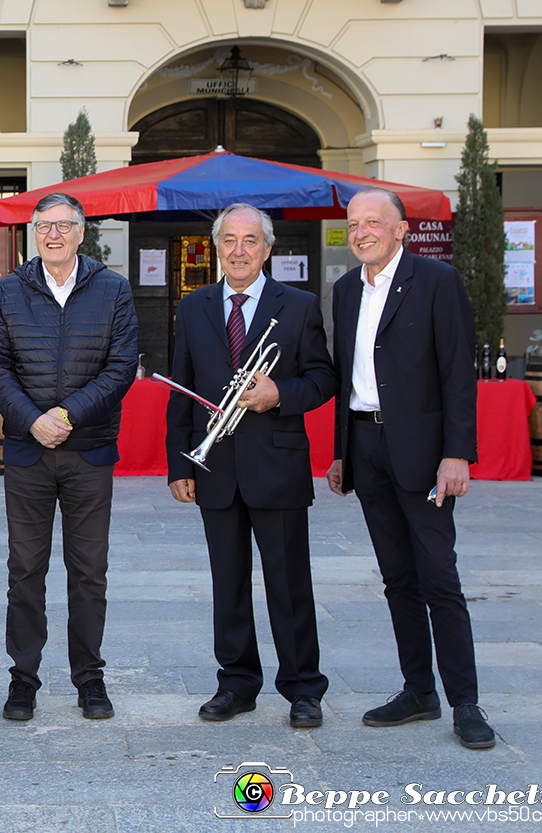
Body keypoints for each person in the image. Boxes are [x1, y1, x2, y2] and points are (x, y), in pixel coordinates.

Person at [326, 187, 495, 749]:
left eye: (374, 222)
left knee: (439, 579)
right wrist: (342, 452)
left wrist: (457, 453)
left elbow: (457, 374)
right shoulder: (346, 289)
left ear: (401, 229)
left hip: (424, 454)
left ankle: (465, 703)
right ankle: (418, 691)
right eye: (353, 224)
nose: (362, 231)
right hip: (367, 449)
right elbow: (348, 375)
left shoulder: (436, 281)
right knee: (397, 578)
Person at [166, 204, 335, 729]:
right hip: (214, 466)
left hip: (277, 466)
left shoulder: (301, 305)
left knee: (289, 584)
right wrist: (179, 464)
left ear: (267, 248)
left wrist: (278, 392)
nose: (239, 250)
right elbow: (182, 390)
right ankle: (236, 683)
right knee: (228, 582)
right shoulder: (193, 307)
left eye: (250, 240)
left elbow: (323, 378)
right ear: (218, 247)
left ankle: (303, 689)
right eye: (230, 240)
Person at [0, 193, 139, 722]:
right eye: (43, 226)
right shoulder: (8, 291)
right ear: (33, 233)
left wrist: (66, 415)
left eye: (63, 225)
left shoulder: (112, 288)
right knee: (25, 570)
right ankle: (23, 680)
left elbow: (121, 368)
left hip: (89, 453)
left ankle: (89, 680)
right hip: (28, 453)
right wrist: (32, 419)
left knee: (89, 571)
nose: (52, 234)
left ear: (81, 231)